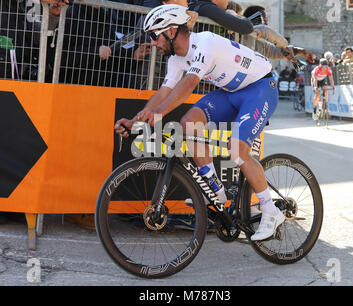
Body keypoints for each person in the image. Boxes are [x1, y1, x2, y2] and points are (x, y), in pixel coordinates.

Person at [115, 4, 284, 241]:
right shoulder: (176, 58)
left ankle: (270, 210)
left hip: (260, 88)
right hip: (232, 92)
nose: (153, 43)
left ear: (171, 31)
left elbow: (189, 84)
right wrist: (136, 120)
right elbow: (163, 92)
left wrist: (158, 115)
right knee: (189, 122)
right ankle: (216, 192)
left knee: (237, 149)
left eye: (154, 35)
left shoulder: (205, 42)